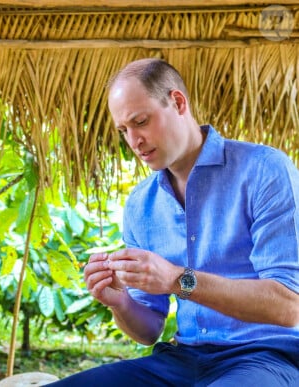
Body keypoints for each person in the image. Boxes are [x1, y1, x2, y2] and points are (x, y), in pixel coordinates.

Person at [48, 58, 299, 386]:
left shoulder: (265, 171)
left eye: (141, 121)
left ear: (178, 102)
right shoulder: (141, 204)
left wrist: (179, 279)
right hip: (181, 360)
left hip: (266, 356)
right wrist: (119, 302)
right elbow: (148, 330)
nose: (134, 141)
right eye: (124, 130)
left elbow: (288, 305)